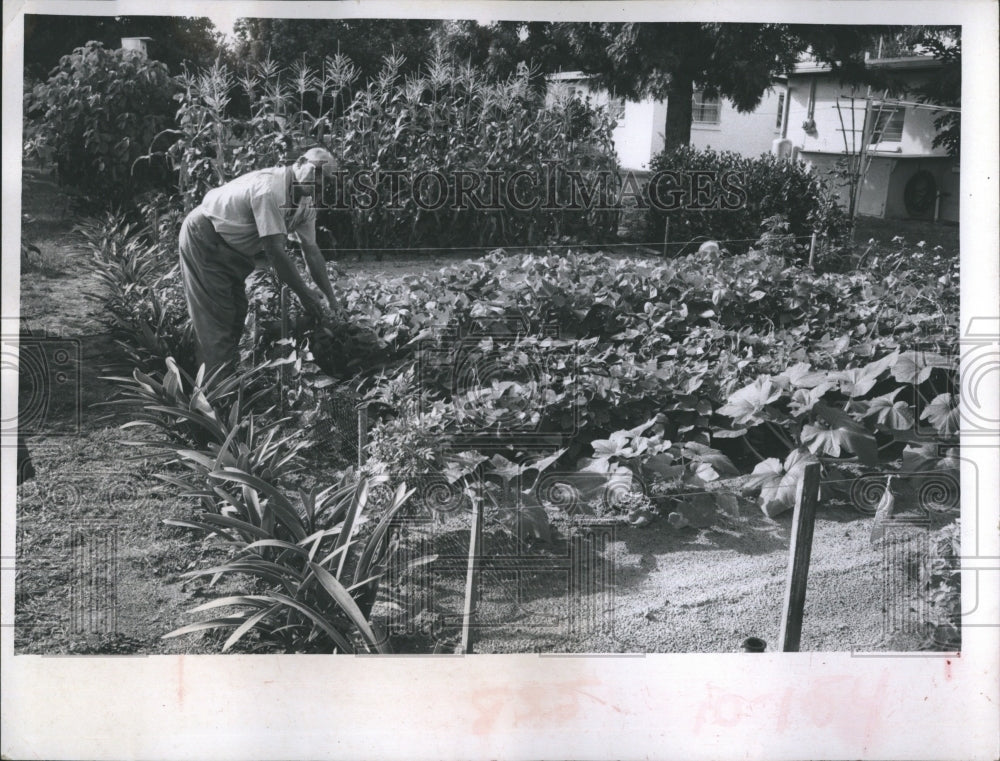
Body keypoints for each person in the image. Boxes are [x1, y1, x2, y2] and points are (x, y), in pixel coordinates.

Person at [178, 147, 338, 375]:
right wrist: (305, 295)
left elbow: (311, 251)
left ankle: (226, 386)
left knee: (234, 315)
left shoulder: (305, 204)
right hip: (205, 238)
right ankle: (214, 399)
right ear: (301, 162)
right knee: (216, 323)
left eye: (328, 178)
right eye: (318, 171)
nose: (321, 181)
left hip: (232, 251)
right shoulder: (271, 189)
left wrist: (332, 300)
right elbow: (275, 251)